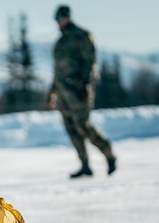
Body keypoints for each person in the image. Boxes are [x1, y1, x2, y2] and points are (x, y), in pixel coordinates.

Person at [47, 5, 117, 179]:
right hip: (63, 94)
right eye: (56, 19)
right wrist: (52, 92)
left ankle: (109, 154)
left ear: (67, 17)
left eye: (60, 18)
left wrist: (85, 84)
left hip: (78, 91)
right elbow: (57, 71)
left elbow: (90, 62)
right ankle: (85, 165)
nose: (58, 22)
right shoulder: (60, 42)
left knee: (83, 127)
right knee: (71, 129)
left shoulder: (82, 36)